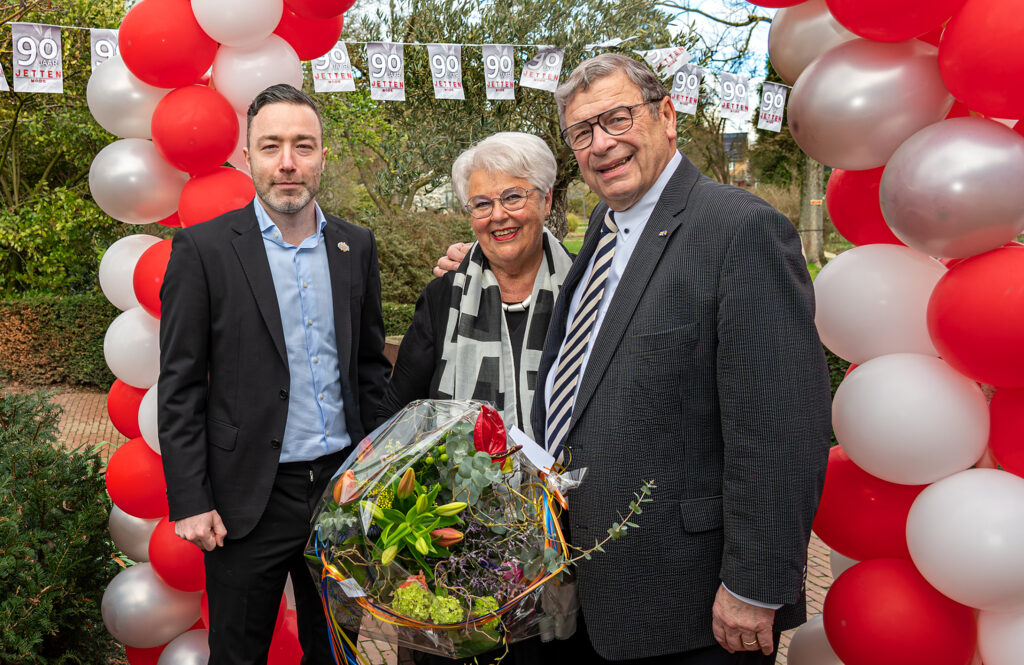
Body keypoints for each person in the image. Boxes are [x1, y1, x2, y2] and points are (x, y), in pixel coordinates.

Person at [438, 53, 831, 664]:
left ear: (667, 115)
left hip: (691, 602)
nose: (602, 144)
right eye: (582, 132)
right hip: (597, 585)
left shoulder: (738, 230)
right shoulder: (605, 224)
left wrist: (754, 584)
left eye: (617, 119)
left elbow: (778, 427)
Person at [158, 83, 391, 665]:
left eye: (302, 145)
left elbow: (367, 367)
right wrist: (191, 498)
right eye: (271, 146)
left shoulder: (354, 246)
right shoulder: (204, 250)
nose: (287, 162)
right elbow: (180, 387)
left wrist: (381, 471)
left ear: (322, 155)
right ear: (247, 158)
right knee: (237, 654)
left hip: (342, 492)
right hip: (244, 500)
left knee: (337, 650)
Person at [378, 132, 573, 444]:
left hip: (574, 488)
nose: (498, 215)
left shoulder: (584, 288)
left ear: (546, 199)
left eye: (512, 197)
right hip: (464, 493)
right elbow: (395, 415)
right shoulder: (443, 297)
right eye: (482, 204)